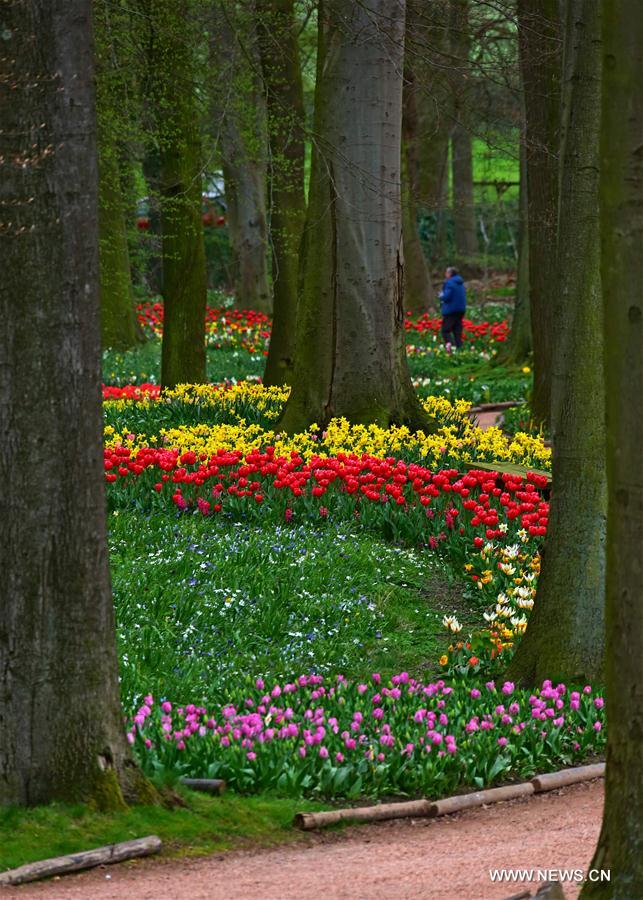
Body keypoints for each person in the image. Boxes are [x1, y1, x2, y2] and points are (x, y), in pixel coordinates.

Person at [438, 266, 466, 349]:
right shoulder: (460, 283)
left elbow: (447, 296)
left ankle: (451, 347)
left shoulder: (450, 283)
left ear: (450, 274)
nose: (445, 274)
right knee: (457, 331)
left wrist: (441, 296)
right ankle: (459, 348)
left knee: (445, 330)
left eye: (446, 273)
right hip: (460, 310)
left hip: (451, 310)